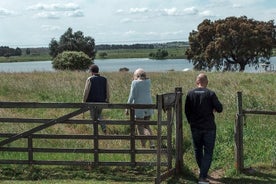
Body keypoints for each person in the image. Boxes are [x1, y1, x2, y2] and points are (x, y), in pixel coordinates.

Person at [184, 73, 223, 184]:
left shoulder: (190, 94)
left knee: (198, 150)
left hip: (195, 127)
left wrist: (191, 122)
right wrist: (213, 109)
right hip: (209, 127)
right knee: (208, 152)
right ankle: (202, 177)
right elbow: (220, 108)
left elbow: (187, 110)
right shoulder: (210, 94)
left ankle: (203, 171)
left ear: (197, 82)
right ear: (206, 82)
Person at [125, 68, 155, 149]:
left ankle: (143, 146)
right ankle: (152, 143)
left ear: (137, 76)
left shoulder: (135, 83)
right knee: (147, 125)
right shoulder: (148, 82)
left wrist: (127, 107)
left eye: (134, 76)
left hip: (139, 108)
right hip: (149, 106)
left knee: (140, 127)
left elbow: (132, 96)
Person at [83, 64, 109, 134]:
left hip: (92, 101)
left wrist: (83, 101)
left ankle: (95, 132)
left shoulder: (90, 79)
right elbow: (107, 90)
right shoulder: (104, 79)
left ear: (91, 71)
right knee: (99, 114)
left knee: (93, 117)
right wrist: (107, 100)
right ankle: (103, 128)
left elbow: (86, 91)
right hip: (102, 101)